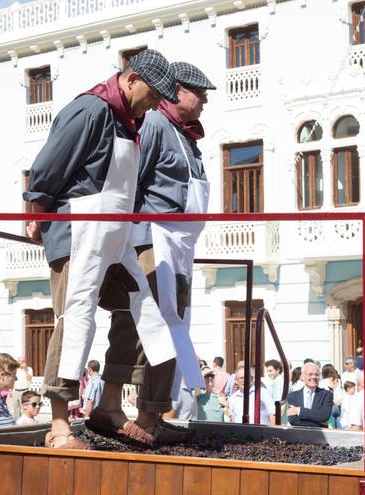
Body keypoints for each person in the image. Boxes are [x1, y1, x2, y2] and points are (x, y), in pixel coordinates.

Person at [23, 49, 178, 450]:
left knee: (142, 312)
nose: (156, 104)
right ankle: (58, 426)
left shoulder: (132, 122)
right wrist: (38, 216)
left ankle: (108, 406)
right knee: (74, 320)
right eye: (153, 94)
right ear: (130, 80)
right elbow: (47, 168)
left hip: (116, 237)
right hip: (79, 234)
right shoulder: (91, 110)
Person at [98, 61, 216, 442]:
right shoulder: (155, 125)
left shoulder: (187, 137)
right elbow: (131, 182)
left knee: (172, 323)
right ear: (178, 91)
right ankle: (124, 410)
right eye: (200, 93)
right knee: (139, 322)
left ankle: (152, 412)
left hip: (178, 243)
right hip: (150, 238)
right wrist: (123, 243)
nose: (204, 102)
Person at [286, 362, 333, 428]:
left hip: (319, 436)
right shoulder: (293, 396)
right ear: (302, 376)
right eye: (310, 374)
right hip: (298, 435)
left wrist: (299, 410)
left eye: (317, 375)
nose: (314, 377)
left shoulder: (326, 394)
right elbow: (293, 420)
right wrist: (319, 423)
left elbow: (324, 416)